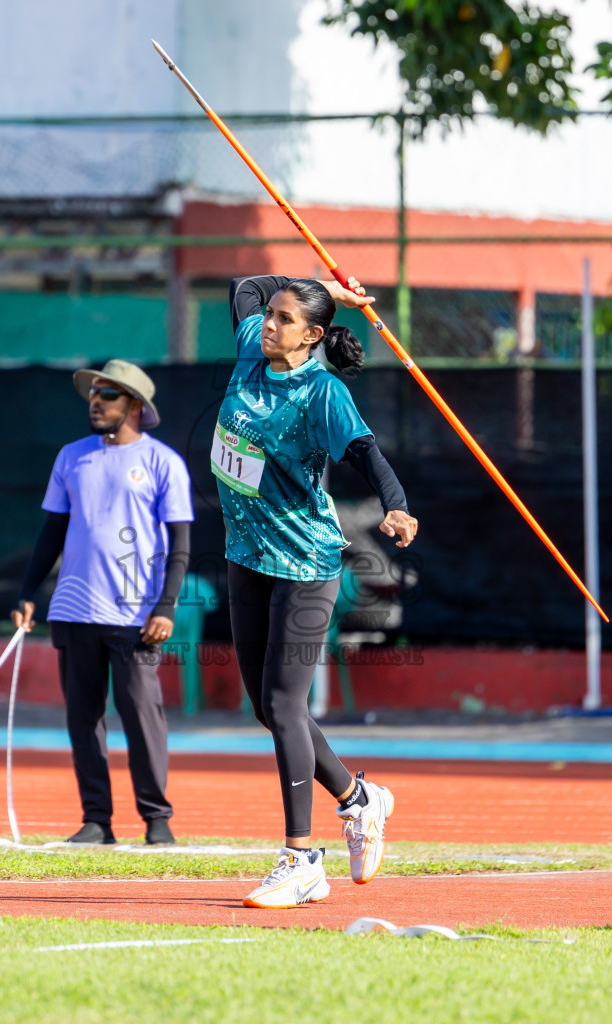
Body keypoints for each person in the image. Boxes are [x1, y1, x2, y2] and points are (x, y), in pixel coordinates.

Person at [214, 274, 418, 908]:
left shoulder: (321, 391)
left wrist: (397, 505)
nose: (269, 323)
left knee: (282, 704)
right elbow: (246, 286)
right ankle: (360, 799)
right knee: (269, 709)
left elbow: (365, 452)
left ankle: (302, 859)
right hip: (245, 555)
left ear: (314, 336)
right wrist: (331, 284)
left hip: (304, 562)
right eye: (271, 315)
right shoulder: (253, 344)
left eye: (284, 319)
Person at [11, 359, 193, 846]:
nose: (96, 402)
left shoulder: (163, 463)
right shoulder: (71, 456)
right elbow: (52, 532)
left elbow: (180, 545)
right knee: (83, 720)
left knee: (141, 715)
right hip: (73, 611)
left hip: (136, 615)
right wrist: (27, 594)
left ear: (135, 405)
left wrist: (166, 606)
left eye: (108, 395)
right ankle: (97, 821)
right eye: (94, 394)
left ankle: (157, 820)